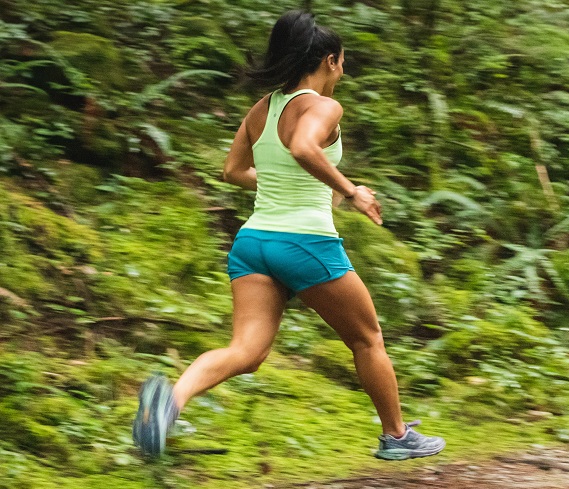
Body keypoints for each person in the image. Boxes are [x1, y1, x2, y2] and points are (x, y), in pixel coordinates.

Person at [132, 10, 445, 461]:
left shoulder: (263, 107)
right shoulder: (323, 107)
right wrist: (351, 191)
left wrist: (299, 185)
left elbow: (232, 171)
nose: (343, 72)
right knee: (367, 339)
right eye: (342, 63)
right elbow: (302, 146)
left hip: (253, 243)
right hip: (304, 243)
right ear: (330, 61)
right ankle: (397, 438)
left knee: (246, 351)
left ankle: (169, 403)